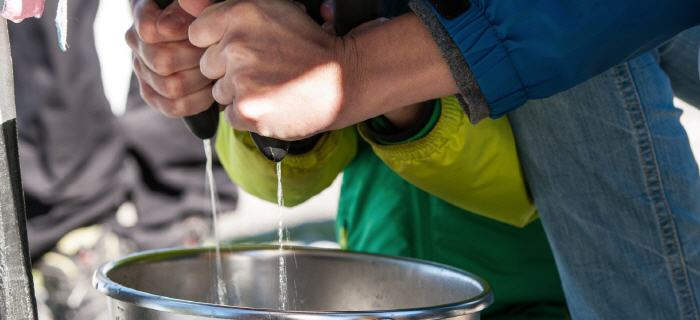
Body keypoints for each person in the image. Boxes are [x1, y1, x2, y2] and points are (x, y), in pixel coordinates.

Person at [128, 0, 700, 318]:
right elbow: (282, 179)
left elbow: (525, 181)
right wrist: (242, 84)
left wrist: (377, 83)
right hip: (387, 261)